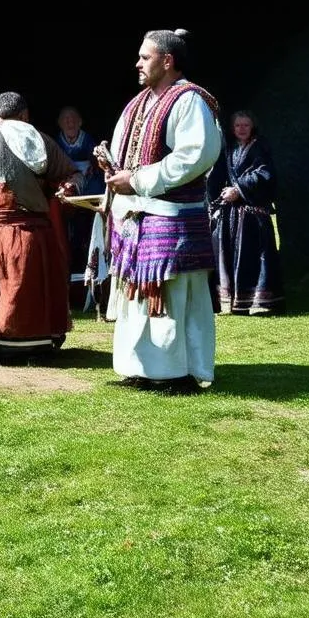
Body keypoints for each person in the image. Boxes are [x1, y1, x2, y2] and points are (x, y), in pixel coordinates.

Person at [96, 28, 221, 394]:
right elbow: (124, 154)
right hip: (135, 217)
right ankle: (139, 368)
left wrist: (137, 180)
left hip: (172, 215)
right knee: (136, 295)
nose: (137, 63)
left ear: (168, 61)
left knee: (173, 295)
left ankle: (177, 373)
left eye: (145, 57)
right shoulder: (137, 103)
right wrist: (111, 168)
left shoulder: (190, 100)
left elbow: (195, 156)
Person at [0, 91, 85, 364]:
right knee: (24, 289)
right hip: (29, 234)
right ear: (25, 115)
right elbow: (72, 174)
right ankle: (34, 346)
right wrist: (66, 187)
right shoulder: (40, 140)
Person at [206, 110, 285, 315]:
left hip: (252, 215)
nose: (241, 129)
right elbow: (217, 176)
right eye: (238, 125)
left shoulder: (260, 147)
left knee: (253, 256)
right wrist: (215, 199)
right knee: (226, 253)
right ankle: (228, 301)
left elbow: (264, 174)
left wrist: (238, 190)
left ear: (252, 127)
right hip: (230, 215)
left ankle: (256, 302)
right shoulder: (229, 149)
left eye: (246, 125)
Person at [54, 105, 105, 302]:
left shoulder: (89, 142)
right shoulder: (56, 143)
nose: (70, 123)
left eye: (73, 118)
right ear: (59, 123)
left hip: (88, 198)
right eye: (65, 119)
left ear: (80, 122)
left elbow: (97, 168)